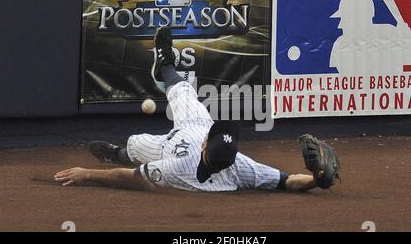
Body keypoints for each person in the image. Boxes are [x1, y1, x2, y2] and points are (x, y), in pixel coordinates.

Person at [54, 27, 340, 192]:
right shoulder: (240, 166)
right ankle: (165, 64)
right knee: (183, 90)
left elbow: (130, 177)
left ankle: (113, 153)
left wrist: (87, 173)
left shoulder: (176, 170)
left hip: (168, 147)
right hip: (195, 128)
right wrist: (316, 181)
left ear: (205, 146)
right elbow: (286, 181)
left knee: (134, 146)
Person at [329, 0, 411, 76]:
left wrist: (407, 39)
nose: (339, 26)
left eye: (344, 19)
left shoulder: (390, 33)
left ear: (359, 18)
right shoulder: (341, 43)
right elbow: (335, 75)